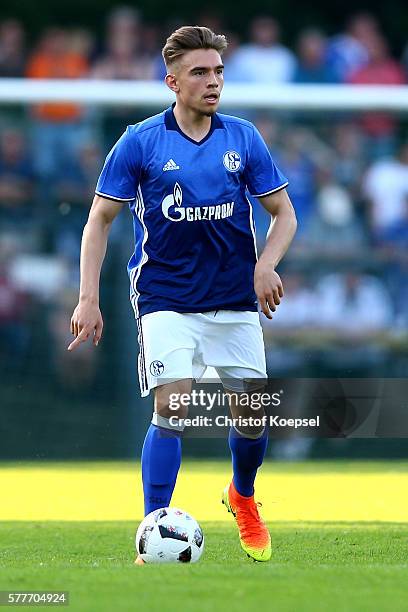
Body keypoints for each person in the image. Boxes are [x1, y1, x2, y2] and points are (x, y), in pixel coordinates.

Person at [67, 26, 297, 563]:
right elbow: (99, 220)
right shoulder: (140, 141)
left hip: (235, 298)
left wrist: (265, 264)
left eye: (218, 71)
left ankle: (241, 495)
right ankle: (154, 529)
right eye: (200, 72)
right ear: (172, 82)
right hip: (165, 296)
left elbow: (284, 214)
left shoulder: (242, 138)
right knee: (174, 404)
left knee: (253, 415)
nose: (213, 81)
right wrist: (87, 297)